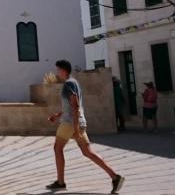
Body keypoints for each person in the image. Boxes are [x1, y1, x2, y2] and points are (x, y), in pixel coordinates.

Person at [47, 60, 125, 193]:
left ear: (63, 70)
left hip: (69, 123)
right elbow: (71, 106)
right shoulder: (74, 83)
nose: (57, 72)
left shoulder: (68, 84)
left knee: (57, 148)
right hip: (76, 121)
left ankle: (60, 182)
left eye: (58, 69)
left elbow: (75, 105)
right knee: (87, 152)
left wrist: (76, 128)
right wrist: (57, 115)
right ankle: (115, 177)